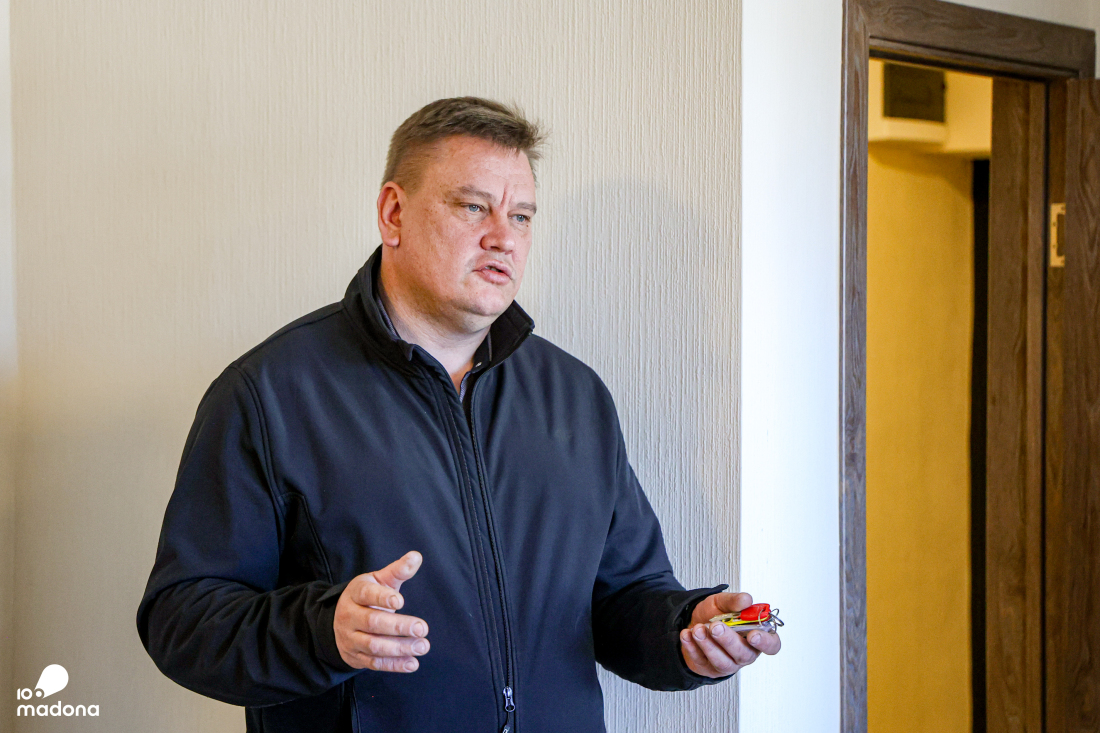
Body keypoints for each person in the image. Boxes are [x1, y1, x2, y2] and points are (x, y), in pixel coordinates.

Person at [136, 97, 780, 733]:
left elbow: (623, 598)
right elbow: (181, 619)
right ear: (394, 213)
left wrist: (686, 633)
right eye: (474, 207)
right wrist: (323, 632)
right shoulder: (269, 393)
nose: (504, 237)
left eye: (521, 216)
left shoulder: (576, 396)